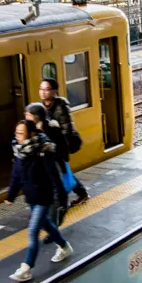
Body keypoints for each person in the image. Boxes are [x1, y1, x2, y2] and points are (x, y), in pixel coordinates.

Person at [5, 120, 73, 282]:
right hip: (31, 198)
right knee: (46, 225)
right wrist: (11, 195)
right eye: (16, 133)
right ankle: (64, 247)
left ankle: (26, 268)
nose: (18, 136)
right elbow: (16, 176)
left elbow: (54, 177)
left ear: (31, 134)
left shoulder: (43, 152)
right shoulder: (19, 152)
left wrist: (62, 199)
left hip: (44, 197)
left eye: (21, 133)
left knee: (33, 232)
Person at [38, 77, 89, 207]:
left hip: (60, 145)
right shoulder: (43, 106)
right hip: (52, 145)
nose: (43, 92)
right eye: (41, 89)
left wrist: (63, 149)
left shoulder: (61, 106)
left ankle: (64, 201)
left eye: (47, 89)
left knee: (62, 172)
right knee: (63, 172)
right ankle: (80, 194)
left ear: (54, 91)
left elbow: (67, 129)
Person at [24, 103, 74, 231]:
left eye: (28, 114)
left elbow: (62, 147)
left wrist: (60, 162)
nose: (26, 116)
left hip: (53, 166)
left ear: (36, 117)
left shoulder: (52, 129)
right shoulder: (28, 129)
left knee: (54, 196)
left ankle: (54, 226)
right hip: (39, 171)